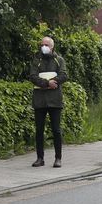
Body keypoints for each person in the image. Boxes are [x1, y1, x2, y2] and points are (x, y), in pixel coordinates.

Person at [28, 36, 67, 168]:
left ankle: (58, 158)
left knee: (56, 130)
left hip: (55, 100)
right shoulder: (36, 60)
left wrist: (53, 82)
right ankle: (40, 158)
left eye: (46, 44)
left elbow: (63, 75)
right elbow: (33, 76)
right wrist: (47, 83)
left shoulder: (59, 60)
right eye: (42, 44)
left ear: (52, 47)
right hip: (39, 100)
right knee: (39, 130)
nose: (43, 46)